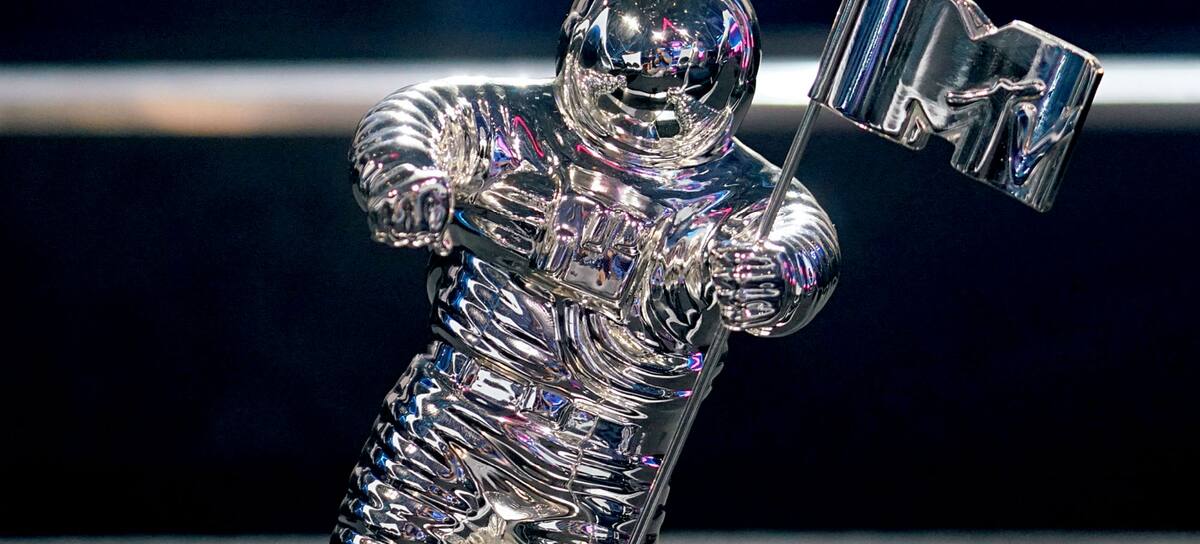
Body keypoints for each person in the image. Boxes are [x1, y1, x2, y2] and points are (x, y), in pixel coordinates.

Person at [336, 0, 839, 541]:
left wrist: (772, 273)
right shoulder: (516, 128)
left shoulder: (742, 196)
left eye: (677, 79)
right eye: (624, 70)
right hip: (459, 415)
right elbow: (413, 117)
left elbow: (804, 244)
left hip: (603, 464)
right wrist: (404, 175)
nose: (645, 93)